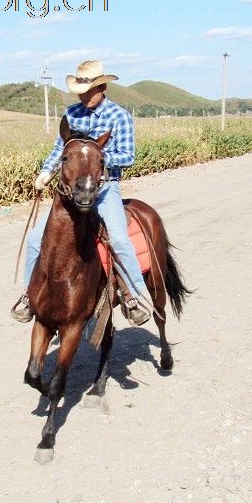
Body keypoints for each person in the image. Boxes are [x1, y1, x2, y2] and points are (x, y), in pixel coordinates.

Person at [11, 60, 151, 326]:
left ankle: (133, 297)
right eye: (80, 91)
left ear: (103, 87)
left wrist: (91, 159)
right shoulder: (71, 114)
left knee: (119, 240)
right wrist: (46, 171)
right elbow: (59, 151)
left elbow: (128, 156)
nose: (83, 96)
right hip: (71, 193)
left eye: (88, 91)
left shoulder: (119, 116)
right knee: (35, 239)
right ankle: (30, 296)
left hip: (104, 188)